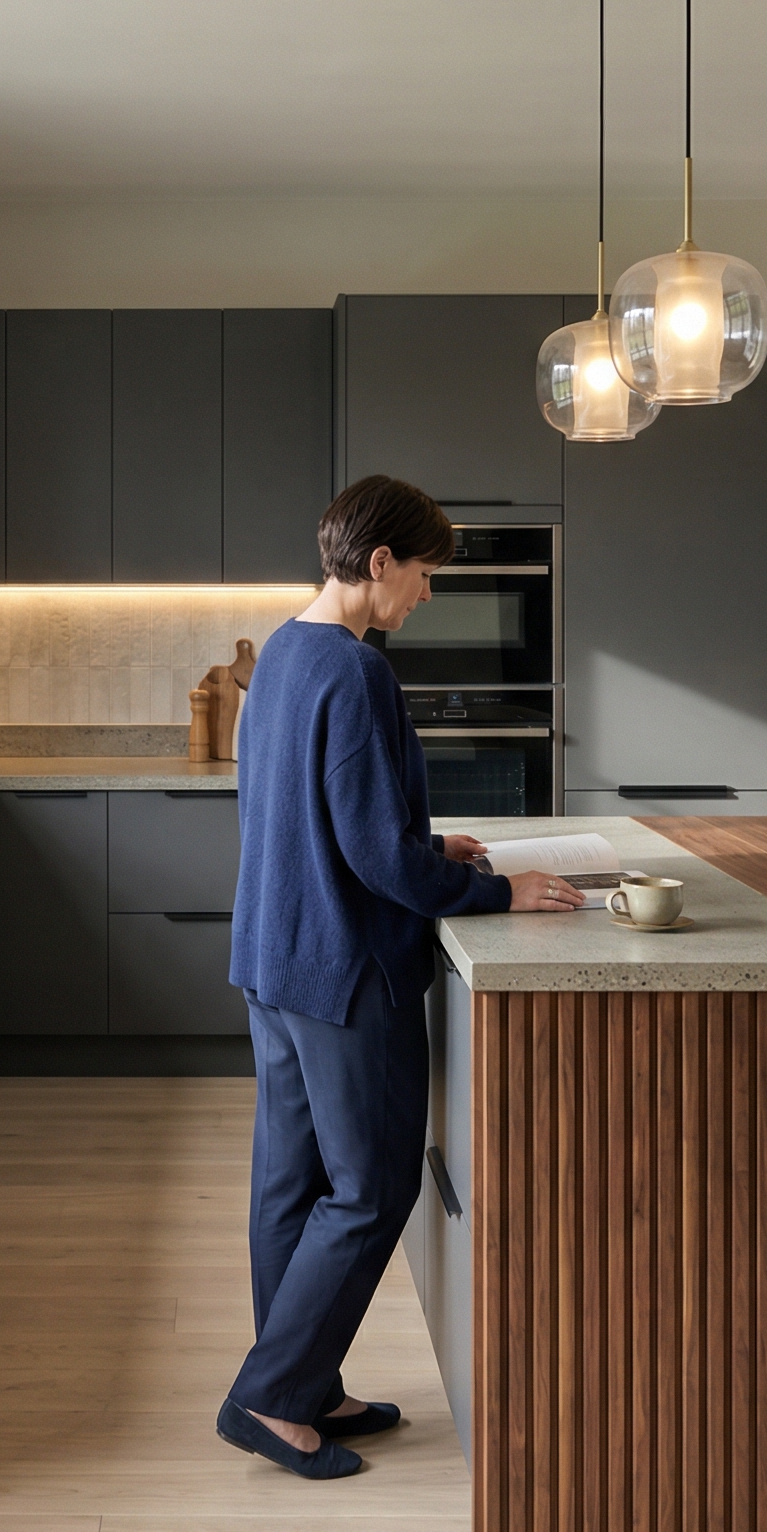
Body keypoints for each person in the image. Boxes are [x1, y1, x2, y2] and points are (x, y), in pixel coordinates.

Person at [217, 474, 583, 1480]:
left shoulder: (278, 655)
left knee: (288, 1184)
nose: (425, 595)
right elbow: (373, 856)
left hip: (271, 955)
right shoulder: (356, 669)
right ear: (378, 564)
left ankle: (302, 1379)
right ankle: (272, 1395)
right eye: (422, 575)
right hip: (343, 966)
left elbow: (316, 819)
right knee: (372, 1184)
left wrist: (429, 844)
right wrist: (495, 890)